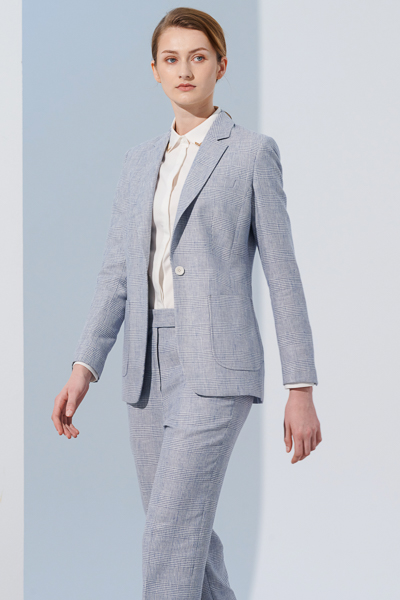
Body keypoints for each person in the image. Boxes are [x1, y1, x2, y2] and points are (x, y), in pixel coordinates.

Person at [51, 7, 322, 599]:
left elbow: (283, 274)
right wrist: (83, 366)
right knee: (184, 534)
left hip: (216, 368)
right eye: (171, 59)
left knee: (169, 535)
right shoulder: (136, 162)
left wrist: (299, 386)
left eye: (198, 57)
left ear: (221, 66)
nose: (184, 70)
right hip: (146, 370)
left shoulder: (251, 153)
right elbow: (116, 275)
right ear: (154, 70)